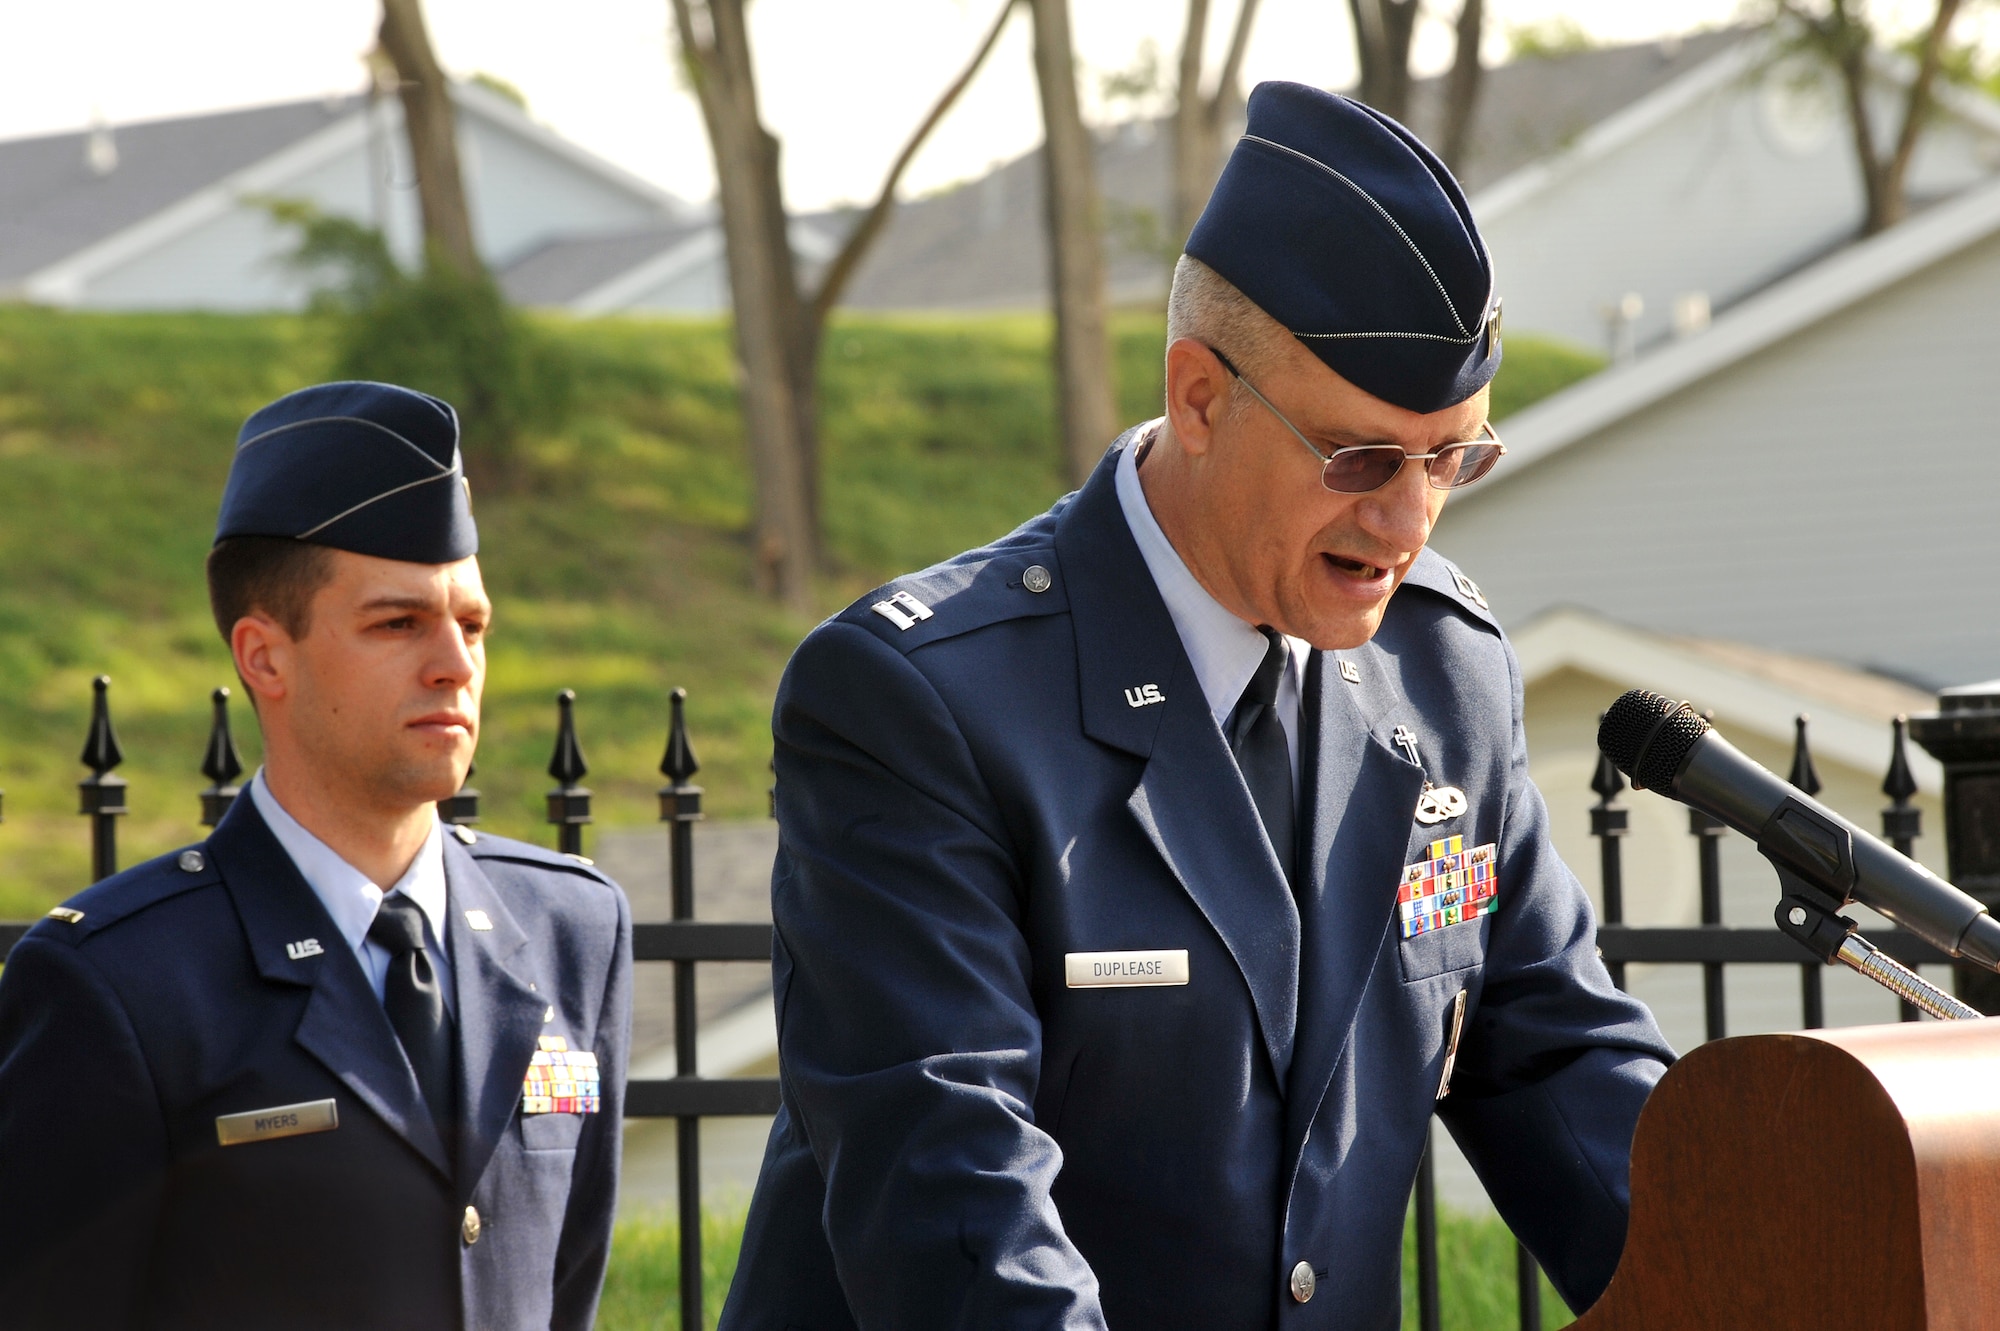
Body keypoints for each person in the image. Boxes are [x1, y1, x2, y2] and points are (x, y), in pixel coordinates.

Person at [721, 83, 1674, 1330]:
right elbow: (949, 1186)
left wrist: (1781, 1265)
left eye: (1450, 458)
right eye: (1360, 458)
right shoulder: (923, 703)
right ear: (1199, 394)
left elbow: (1560, 1067)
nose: (1407, 521)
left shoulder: (1446, 675)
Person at [0, 382, 632, 1331]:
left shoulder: (570, 928)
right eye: (397, 622)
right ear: (264, 657)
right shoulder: (120, 984)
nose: (455, 663)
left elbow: (567, 1284)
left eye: (472, 624)